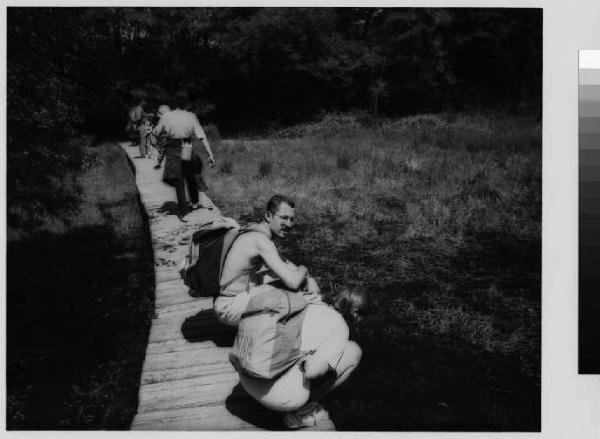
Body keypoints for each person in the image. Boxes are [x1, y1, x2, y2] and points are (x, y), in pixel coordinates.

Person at [215, 195, 362, 429]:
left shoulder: (253, 232)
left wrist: (297, 283)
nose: (289, 224)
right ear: (268, 216)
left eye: (292, 219)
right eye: (284, 218)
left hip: (232, 311)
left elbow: (281, 269)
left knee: (292, 294)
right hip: (230, 307)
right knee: (294, 292)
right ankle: (301, 410)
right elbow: (293, 280)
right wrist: (304, 271)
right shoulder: (263, 242)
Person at [152, 103, 216, 221]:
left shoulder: (167, 116)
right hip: (186, 145)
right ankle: (195, 202)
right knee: (189, 174)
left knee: (178, 180)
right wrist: (210, 155)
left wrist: (158, 144)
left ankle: (183, 213)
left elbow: (155, 133)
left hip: (173, 147)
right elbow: (202, 137)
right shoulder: (191, 116)